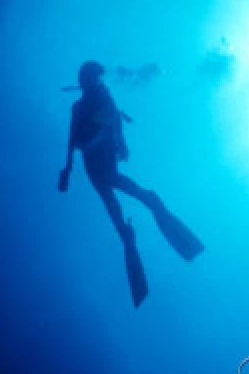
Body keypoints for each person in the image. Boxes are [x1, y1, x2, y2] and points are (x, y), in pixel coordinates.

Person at [59, 61, 203, 308]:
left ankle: (143, 209)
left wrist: (71, 167)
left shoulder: (100, 100)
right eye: (91, 79)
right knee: (112, 199)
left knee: (115, 191)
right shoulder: (81, 106)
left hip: (99, 162)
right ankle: (135, 221)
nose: (94, 83)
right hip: (94, 164)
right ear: (85, 80)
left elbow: (110, 126)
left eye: (94, 79)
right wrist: (68, 168)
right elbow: (73, 139)